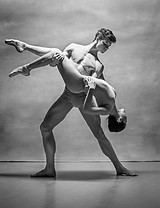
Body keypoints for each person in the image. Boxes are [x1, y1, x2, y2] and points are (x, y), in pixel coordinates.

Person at [5, 28, 137, 177]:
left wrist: (115, 113)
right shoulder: (74, 47)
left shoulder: (99, 66)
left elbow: (99, 87)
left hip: (83, 97)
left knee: (99, 134)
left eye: (109, 46)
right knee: (45, 127)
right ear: (98, 37)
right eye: (106, 43)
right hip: (68, 95)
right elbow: (51, 56)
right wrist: (50, 61)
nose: (107, 48)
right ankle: (49, 169)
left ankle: (119, 167)